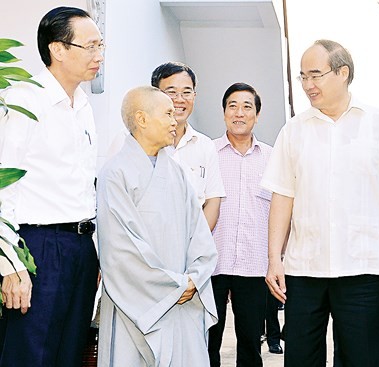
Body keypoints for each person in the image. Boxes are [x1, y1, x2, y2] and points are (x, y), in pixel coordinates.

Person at [262, 39, 379, 367]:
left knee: (364, 359)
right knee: (301, 360)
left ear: (343, 72)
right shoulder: (293, 131)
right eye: (302, 76)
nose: (308, 85)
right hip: (304, 270)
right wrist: (274, 259)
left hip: (364, 269)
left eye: (315, 75)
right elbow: (282, 197)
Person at [0, 7, 103, 366]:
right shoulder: (24, 100)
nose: (98, 55)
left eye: (100, 46)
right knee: (30, 354)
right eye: (90, 46)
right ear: (58, 49)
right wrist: (10, 264)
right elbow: (3, 186)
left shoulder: (84, 106)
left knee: (69, 354)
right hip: (39, 248)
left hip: (80, 247)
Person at [96, 86, 218, 366]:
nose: (175, 121)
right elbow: (121, 251)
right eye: (167, 113)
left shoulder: (176, 172)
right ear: (141, 119)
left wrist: (194, 278)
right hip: (135, 303)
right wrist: (173, 286)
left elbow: (200, 234)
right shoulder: (115, 174)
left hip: (182, 300)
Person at [208, 83, 273, 366]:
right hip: (211, 262)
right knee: (208, 340)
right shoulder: (207, 153)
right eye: (232, 106)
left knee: (250, 343)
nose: (239, 113)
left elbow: (280, 211)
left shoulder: (272, 159)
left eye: (247, 106)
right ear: (223, 113)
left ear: (257, 115)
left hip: (253, 263)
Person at [151, 62, 225, 231]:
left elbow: (213, 200)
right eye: (171, 92)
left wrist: (198, 243)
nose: (179, 99)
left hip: (192, 248)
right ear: (154, 95)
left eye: (186, 92)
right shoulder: (134, 140)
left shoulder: (205, 145)